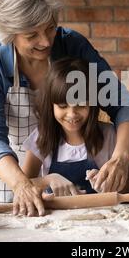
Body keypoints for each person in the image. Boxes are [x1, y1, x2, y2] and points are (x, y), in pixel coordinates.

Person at [0, 0, 129, 216]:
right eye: (32, 35)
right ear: (10, 33)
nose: (45, 42)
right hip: (10, 179)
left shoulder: (72, 45)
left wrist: (120, 158)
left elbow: (122, 104)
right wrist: (22, 183)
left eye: (50, 28)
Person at [21, 58, 116, 196]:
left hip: (102, 215)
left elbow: (126, 188)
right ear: (51, 105)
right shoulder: (41, 136)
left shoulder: (108, 134)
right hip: (54, 216)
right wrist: (48, 180)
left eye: (81, 105)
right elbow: (23, 185)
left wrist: (108, 183)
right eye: (63, 106)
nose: (71, 114)